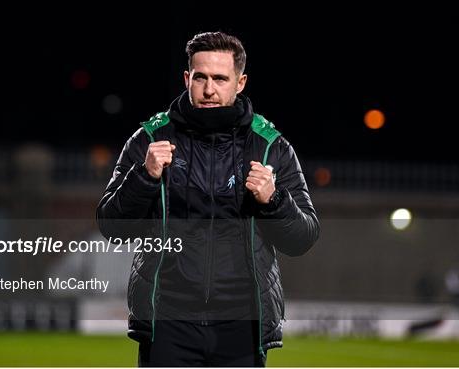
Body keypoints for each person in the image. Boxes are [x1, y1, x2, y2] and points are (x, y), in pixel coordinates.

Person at [97, 31, 320, 367]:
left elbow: (303, 237)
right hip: (168, 321)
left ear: (240, 82)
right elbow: (111, 226)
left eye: (220, 78)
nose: (209, 89)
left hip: (242, 325)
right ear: (187, 78)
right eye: (200, 77)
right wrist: (144, 177)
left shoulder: (271, 146)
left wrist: (274, 200)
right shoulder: (150, 139)